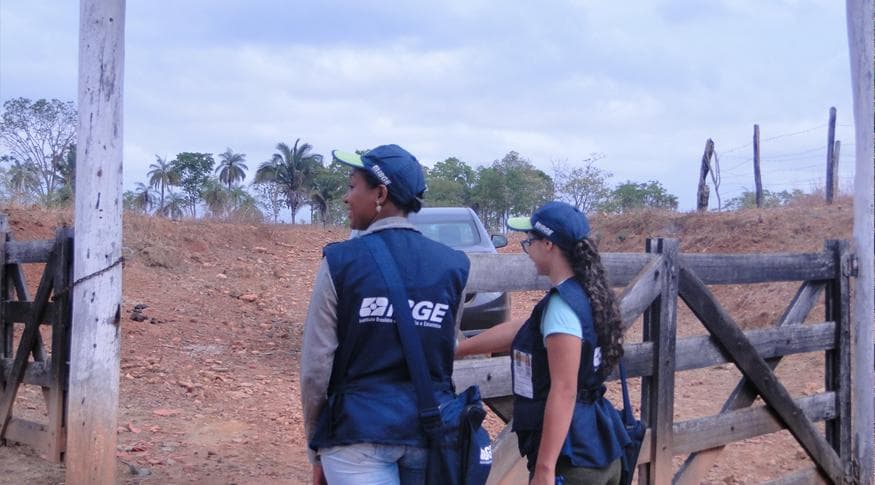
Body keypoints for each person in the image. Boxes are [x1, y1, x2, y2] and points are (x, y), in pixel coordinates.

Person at [300, 144, 470, 485]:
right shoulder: (454, 266)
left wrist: (318, 445)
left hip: (355, 434)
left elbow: (316, 367)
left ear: (380, 193)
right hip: (429, 430)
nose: (347, 198)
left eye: (352, 186)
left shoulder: (339, 262)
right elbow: (444, 352)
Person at [457, 201, 629, 485]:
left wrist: (545, 469)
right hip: (599, 445)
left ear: (549, 245)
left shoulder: (563, 306)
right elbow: (525, 329)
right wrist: (458, 349)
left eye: (529, 241)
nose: (527, 248)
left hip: (572, 461)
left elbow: (564, 391)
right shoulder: (587, 294)